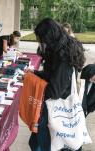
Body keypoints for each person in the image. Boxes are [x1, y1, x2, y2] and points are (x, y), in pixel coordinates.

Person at [27, 18, 85, 151]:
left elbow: (55, 91)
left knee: (43, 144)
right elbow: (52, 75)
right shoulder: (59, 49)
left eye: (41, 39)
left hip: (57, 108)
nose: (40, 43)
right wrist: (36, 74)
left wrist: (36, 88)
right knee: (36, 143)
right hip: (55, 107)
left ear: (49, 37)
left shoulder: (63, 56)